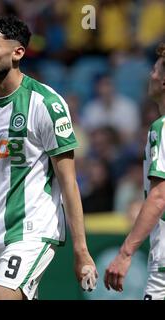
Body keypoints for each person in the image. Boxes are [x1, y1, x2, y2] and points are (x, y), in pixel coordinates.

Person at [0, 15, 97, 300]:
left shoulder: (46, 104)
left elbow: (69, 183)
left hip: (32, 231)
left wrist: (81, 250)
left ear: (18, 52)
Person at [104, 42, 165, 300]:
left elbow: (160, 195)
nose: (150, 75)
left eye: (156, 69)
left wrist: (125, 253)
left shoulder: (161, 128)